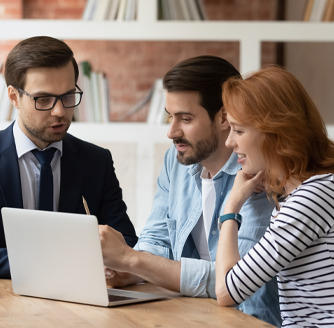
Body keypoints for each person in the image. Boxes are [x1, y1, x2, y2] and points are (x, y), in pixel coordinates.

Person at [99, 56, 281, 326]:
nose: (171, 132)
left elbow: (238, 281)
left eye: (185, 118)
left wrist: (134, 260)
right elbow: (157, 239)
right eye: (170, 117)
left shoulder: (258, 172)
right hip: (189, 314)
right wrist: (127, 271)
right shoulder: (176, 162)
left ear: (223, 117)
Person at [0, 36, 137, 278]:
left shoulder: (97, 162)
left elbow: (125, 240)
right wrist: (50, 264)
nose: (60, 111)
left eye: (67, 96)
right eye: (43, 99)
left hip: (80, 303)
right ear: (14, 97)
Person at [215, 66, 334, 327]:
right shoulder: (315, 190)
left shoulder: (309, 200)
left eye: (239, 130)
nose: (229, 142)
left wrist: (231, 206)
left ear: (275, 132)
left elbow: (227, 291)